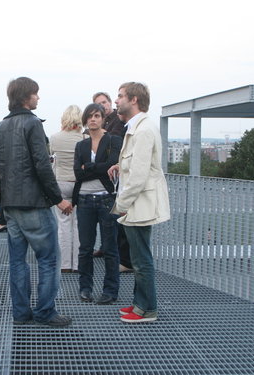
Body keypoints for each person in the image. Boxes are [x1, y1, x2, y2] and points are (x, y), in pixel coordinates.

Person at [0, 77, 73, 327]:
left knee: (17, 261)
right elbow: (41, 165)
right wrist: (58, 199)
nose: (38, 98)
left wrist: (2, 203)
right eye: (36, 94)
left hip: (10, 205)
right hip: (34, 204)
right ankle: (45, 312)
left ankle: (21, 313)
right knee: (48, 260)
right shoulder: (32, 124)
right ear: (26, 97)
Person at [109, 82, 170, 323]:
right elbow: (135, 167)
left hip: (139, 203)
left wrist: (121, 204)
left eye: (120, 96)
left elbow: (139, 175)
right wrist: (120, 167)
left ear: (134, 100)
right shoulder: (138, 127)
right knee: (138, 256)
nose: (116, 101)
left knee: (141, 258)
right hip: (138, 202)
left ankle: (147, 309)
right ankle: (139, 304)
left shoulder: (143, 130)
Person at [73, 103, 121, 304]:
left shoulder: (113, 140)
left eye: (97, 116)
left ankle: (110, 290)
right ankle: (85, 288)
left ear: (103, 119)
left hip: (106, 198)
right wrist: (100, 167)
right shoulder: (80, 145)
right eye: (90, 116)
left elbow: (112, 164)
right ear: (85, 120)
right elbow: (78, 172)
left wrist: (90, 167)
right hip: (84, 199)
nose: (93, 119)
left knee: (110, 247)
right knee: (85, 248)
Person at [93, 92, 133, 272]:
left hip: (119, 173)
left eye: (104, 102)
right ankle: (107, 248)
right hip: (111, 174)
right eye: (98, 104)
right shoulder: (105, 121)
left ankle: (125, 260)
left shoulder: (119, 120)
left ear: (110, 103)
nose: (103, 106)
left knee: (121, 218)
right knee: (110, 217)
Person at [49, 105, 84, 273]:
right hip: (79, 184)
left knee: (63, 224)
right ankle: (78, 264)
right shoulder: (84, 138)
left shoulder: (55, 138)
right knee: (78, 224)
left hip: (61, 182)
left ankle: (64, 264)